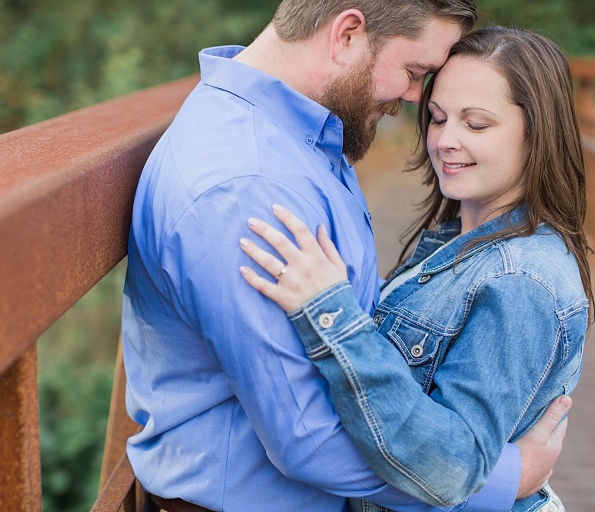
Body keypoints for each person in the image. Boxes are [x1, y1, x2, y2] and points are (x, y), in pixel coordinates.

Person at [122, 1, 570, 509]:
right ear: (348, 35)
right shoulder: (248, 187)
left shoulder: (305, 136)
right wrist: (501, 480)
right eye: (414, 72)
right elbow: (311, 439)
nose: (413, 98)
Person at [239, 26, 592, 512]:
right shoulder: (455, 246)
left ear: (538, 132)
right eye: (437, 117)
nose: (446, 140)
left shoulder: (520, 281)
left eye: (477, 124)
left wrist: (328, 313)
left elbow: (450, 466)